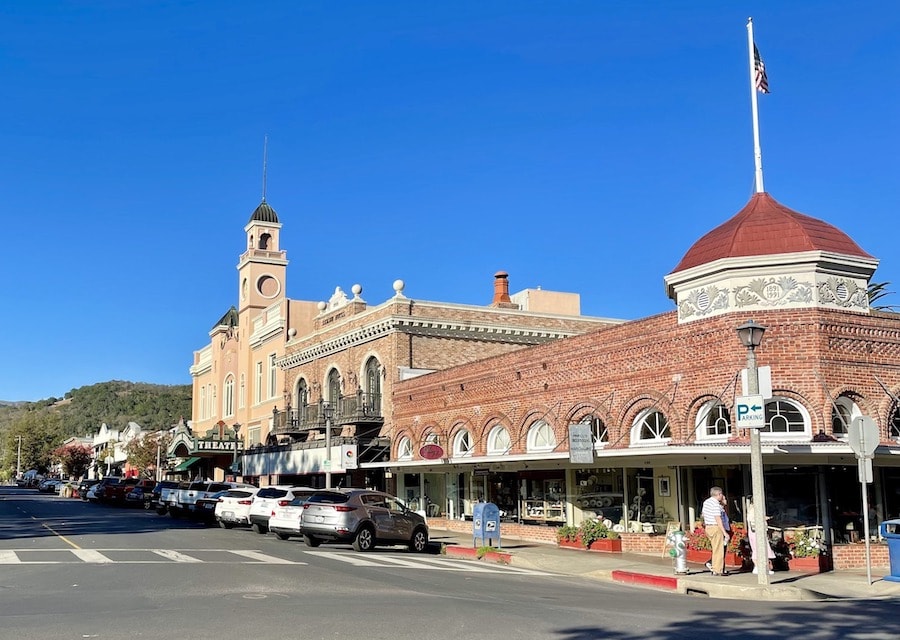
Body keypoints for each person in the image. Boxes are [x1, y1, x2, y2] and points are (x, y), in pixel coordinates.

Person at [702, 486, 730, 576]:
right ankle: (718, 570)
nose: (722, 496)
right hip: (715, 527)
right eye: (721, 494)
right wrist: (725, 533)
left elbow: (703, 515)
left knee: (715, 548)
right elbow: (718, 518)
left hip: (708, 526)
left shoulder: (706, 502)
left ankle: (715, 568)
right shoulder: (715, 504)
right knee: (719, 549)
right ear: (719, 494)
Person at [746, 496, 775, 574]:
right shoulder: (753, 509)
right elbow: (753, 520)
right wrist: (763, 518)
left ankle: (760, 568)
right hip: (756, 532)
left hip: (755, 532)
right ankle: (758, 567)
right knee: (759, 549)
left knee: (759, 549)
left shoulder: (752, 509)